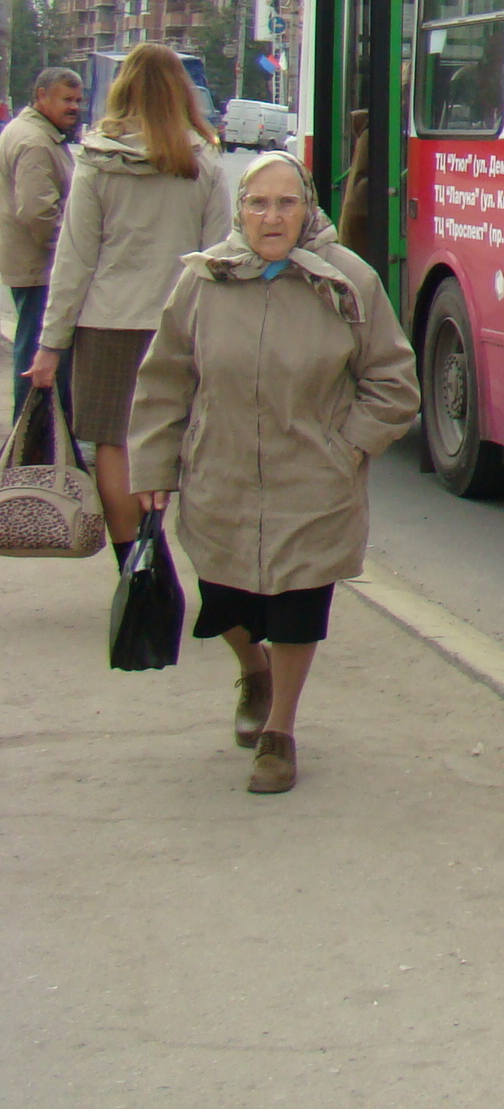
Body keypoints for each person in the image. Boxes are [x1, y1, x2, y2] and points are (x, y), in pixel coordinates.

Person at [128, 153, 419, 793]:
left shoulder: (349, 281)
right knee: (224, 598)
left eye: (287, 203)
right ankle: (251, 667)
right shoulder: (206, 280)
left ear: (308, 206)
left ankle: (279, 732)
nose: (272, 217)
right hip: (220, 476)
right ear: (240, 210)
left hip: (313, 483)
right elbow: (166, 377)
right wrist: (154, 462)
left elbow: (394, 383)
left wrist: (345, 449)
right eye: (258, 203)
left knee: (296, 608)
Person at [24, 44, 230, 558]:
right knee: (174, 441)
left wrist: (51, 344)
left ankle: (135, 569)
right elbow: (221, 254)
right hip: (183, 326)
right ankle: (163, 543)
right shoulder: (202, 160)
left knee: (113, 445)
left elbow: (75, 260)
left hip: (107, 324)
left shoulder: (96, 159)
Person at [1, 66, 82, 418]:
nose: (75, 107)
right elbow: (37, 213)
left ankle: (36, 437)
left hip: (31, 263)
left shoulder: (35, 133)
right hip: (41, 268)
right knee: (39, 353)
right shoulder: (35, 142)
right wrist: (71, 251)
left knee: (34, 348)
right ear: (42, 96)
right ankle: (33, 439)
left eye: (79, 100)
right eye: (66, 99)